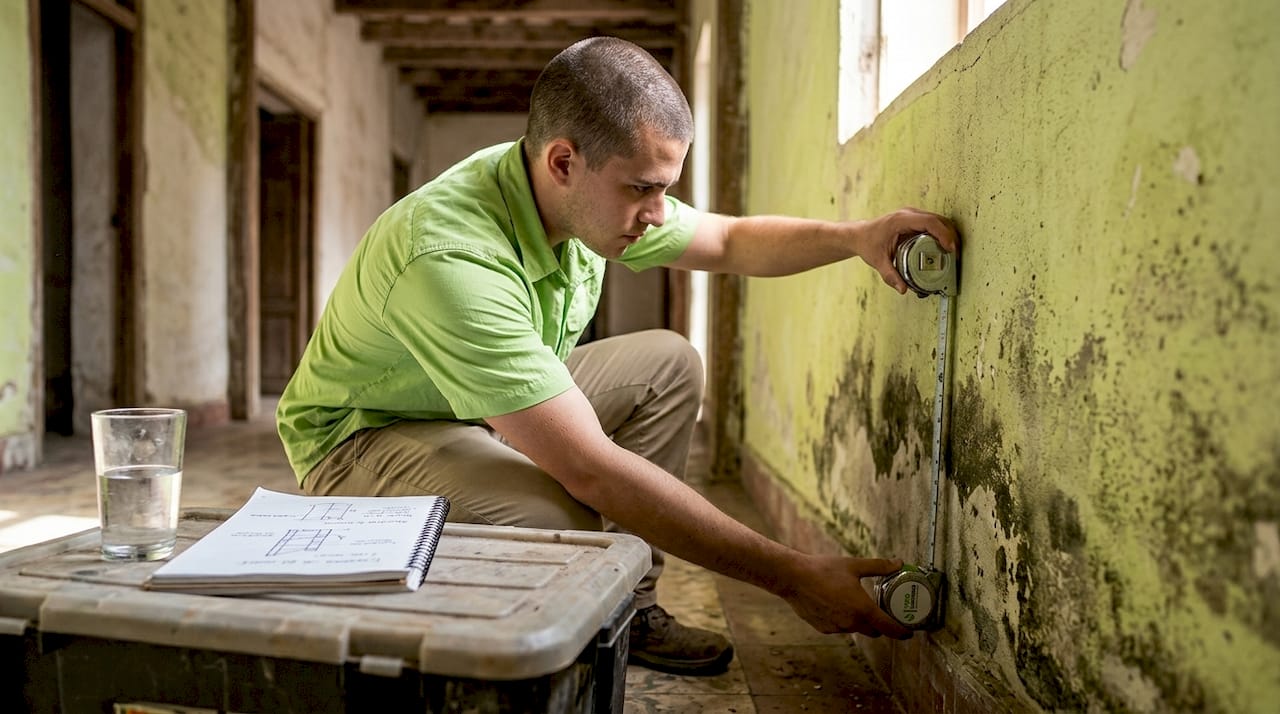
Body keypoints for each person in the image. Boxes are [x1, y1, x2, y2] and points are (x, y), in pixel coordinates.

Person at [276, 36, 959, 676]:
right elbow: (592, 471)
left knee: (668, 364)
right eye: (642, 189)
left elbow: (727, 241)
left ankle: (630, 611)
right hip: (365, 439)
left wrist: (856, 237)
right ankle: (541, 638)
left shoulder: (575, 199)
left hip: (472, 411)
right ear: (563, 162)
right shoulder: (451, 256)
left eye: (664, 188)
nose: (658, 213)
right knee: (562, 525)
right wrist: (793, 577)